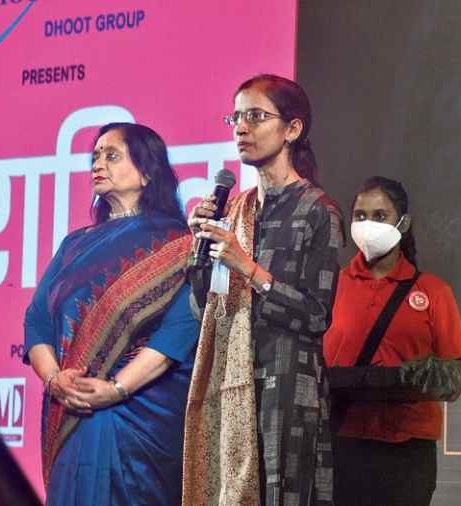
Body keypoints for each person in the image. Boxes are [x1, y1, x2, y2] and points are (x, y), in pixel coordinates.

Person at [183, 74, 341, 506]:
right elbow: (204, 310)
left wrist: (249, 268)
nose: (240, 127)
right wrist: (197, 246)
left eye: (255, 116)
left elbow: (316, 316)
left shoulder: (317, 211)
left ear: (293, 129)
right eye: (235, 117)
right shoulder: (235, 209)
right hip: (230, 382)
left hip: (286, 389)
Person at [23, 122, 198, 505]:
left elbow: (179, 331)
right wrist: (54, 379)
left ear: (147, 172)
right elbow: (36, 320)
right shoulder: (75, 244)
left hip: (140, 418)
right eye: (96, 156)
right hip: (71, 409)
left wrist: (116, 390)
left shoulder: (180, 245)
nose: (98, 164)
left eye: (112, 155)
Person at [323, 176, 461, 506]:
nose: (368, 225)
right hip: (343, 442)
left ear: (403, 223)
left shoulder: (433, 291)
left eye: (380, 216)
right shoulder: (331, 284)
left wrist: (418, 377)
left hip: (408, 450)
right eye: (360, 216)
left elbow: (457, 372)